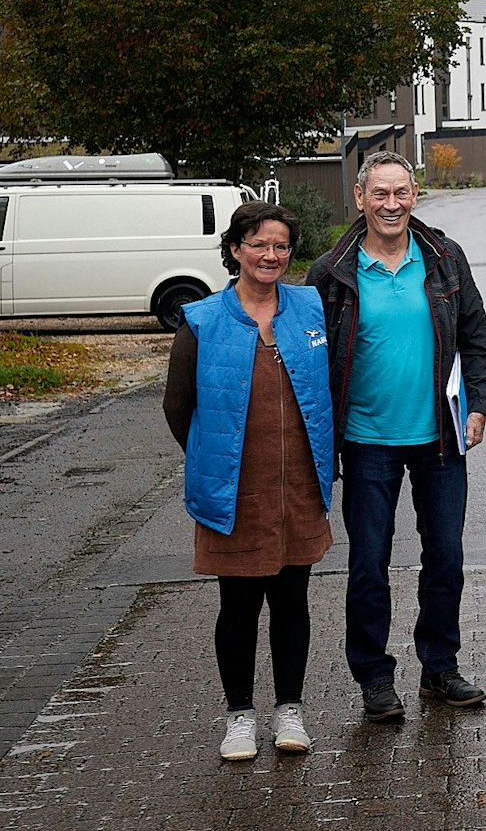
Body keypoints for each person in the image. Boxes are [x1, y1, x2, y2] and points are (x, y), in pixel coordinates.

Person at [306, 150, 486, 723]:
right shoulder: (331, 270)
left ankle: (440, 667)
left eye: (402, 193)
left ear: (415, 196)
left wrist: (480, 406)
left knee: (446, 556)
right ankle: (374, 677)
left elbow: (475, 339)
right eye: (380, 194)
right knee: (369, 562)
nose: (392, 204)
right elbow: (312, 358)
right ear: (360, 198)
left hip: (439, 436)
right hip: (366, 441)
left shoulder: (444, 258)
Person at [163, 201, 336, 761]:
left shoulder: (311, 308)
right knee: (237, 607)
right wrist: (216, 460)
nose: (271, 255)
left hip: (299, 488)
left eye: (281, 245)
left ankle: (290, 711)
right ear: (235, 250)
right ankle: (239, 716)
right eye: (259, 244)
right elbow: (177, 406)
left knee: (293, 602)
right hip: (234, 491)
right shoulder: (202, 319)